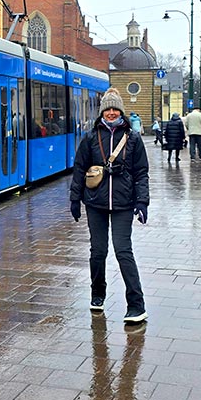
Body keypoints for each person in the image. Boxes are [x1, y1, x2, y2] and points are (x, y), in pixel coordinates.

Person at [69, 88, 148, 325]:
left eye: (115, 109)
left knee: (123, 251)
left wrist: (142, 201)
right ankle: (97, 293)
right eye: (108, 109)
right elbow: (79, 169)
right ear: (102, 111)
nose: (112, 112)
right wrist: (75, 199)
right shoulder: (91, 137)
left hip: (124, 203)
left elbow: (142, 172)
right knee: (98, 251)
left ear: (121, 111)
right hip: (95, 203)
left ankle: (136, 305)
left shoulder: (133, 139)